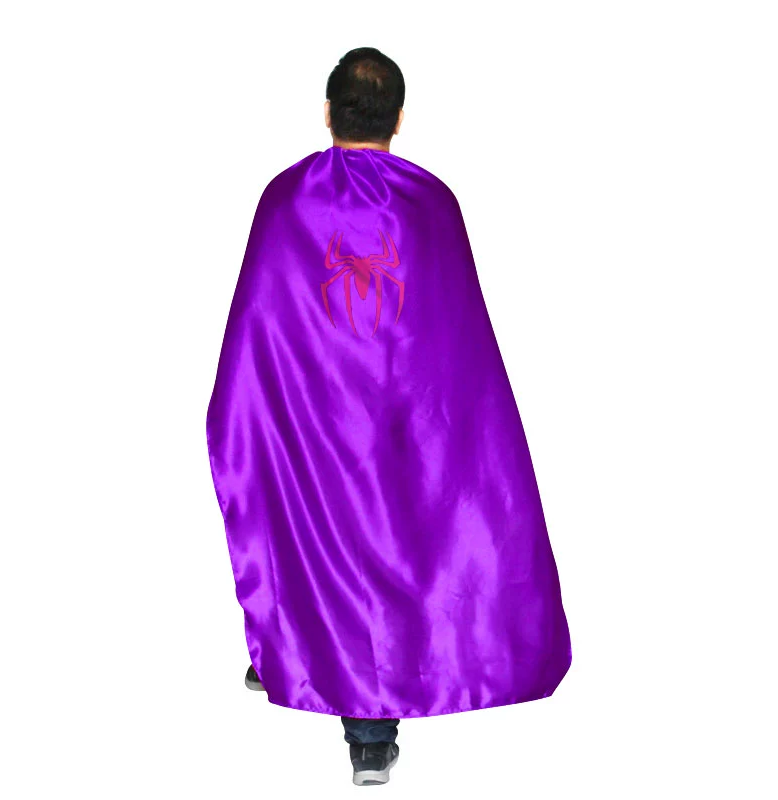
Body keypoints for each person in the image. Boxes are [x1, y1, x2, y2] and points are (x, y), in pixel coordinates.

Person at [206, 47, 572, 787]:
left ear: (327, 112)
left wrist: (254, 401)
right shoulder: (432, 202)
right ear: (399, 118)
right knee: (399, 547)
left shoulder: (285, 198)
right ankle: (309, 668)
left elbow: (259, 324)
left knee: (315, 531)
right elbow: (458, 331)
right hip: (407, 420)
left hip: (318, 418)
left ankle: (360, 723)